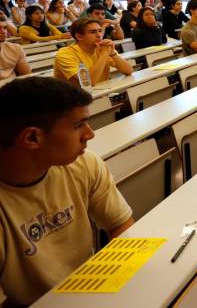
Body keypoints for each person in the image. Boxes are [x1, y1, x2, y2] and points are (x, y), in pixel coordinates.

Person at [0, 77, 134, 306]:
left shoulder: (84, 164)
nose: (90, 134)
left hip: (89, 293)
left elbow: (120, 225)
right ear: (32, 138)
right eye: (77, 125)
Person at [54, 19, 133, 86]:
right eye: (93, 32)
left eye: (100, 31)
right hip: (72, 100)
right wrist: (104, 54)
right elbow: (88, 82)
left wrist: (112, 53)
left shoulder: (102, 48)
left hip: (99, 93)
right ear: (79, 36)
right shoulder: (65, 54)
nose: (99, 35)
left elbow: (128, 71)